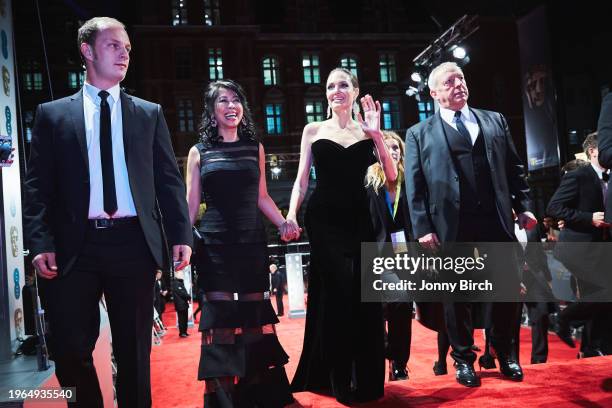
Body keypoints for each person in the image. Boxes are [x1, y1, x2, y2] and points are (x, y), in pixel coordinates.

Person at [23, 17, 191, 408]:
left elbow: (168, 181)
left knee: (135, 354)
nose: (124, 54)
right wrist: (39, 241)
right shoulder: (52, 115)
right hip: (70, 249)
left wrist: (181, 234)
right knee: (69, 351)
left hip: (133, 244)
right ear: (87, 51)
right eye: (114, 45)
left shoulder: (148, 113)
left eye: (128, 48)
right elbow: (37, 187)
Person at [404, 61, 536, 387]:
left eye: (461, 78)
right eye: (449, 82)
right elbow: (414, 187)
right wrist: (422, 228)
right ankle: (463, 360)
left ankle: (505, 355)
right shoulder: (418, 134)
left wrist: (524, 207)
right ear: (434, 93)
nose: (459, 84)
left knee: (506, 292)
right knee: (457, 297)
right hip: (451, 226)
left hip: (497, 222)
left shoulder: (495, 120)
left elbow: (514, 169)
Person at [288, 67, 397, 404]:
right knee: (338, 295)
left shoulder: (368, 133)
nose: (336, 90)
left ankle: (365, 378)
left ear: (355, 90)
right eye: (330, 86)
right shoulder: (313, 130)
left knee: (365, 298)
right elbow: (302, 179)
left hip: (360, 220)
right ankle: (338, 379)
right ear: (326, 94)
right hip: (324, 222)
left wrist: (377, 134)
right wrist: (291, 214)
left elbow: (391, 178)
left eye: (343, 85)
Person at [185, 79, 296, 407]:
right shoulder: (198, 152)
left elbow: (262, 197)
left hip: (251, 244)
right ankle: (224, 399)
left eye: (236, 100)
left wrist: (283, 222)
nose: (231, 106)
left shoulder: (255, 147)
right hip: (215, 247)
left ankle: (259, 395)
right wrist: (180, 242)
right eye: (223, 101)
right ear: (211, 109)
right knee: (221, 320)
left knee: (254, 318)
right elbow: (190, 208)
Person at [547, 132, 611, 357]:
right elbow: (554, 207)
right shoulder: (579, 176)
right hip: (578, 249)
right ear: (593, 151)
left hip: (601, 250)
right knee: (605, 293)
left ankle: (591, 349)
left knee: (600, 299)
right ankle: (563, 318)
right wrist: (588, 217)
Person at [365, 131, 413, 381]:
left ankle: (398, 361)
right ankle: (384, 353)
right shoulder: (367, 182)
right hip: (374, 255)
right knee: (374, 309)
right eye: (386, 147)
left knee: (402, 304)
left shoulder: (411, 182)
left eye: (396, 148)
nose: (392, 151)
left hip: (405, 256)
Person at [172, 269, 191, 338]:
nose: (182, 275)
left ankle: (184, 332)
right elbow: (182, 293)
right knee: (182, 319)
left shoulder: (180, 282)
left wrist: (187, 297)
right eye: (181, 274)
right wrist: (188, 297)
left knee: (185, 319)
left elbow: (183, 292)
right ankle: (182, 333)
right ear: (177, 275)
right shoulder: (176, 283)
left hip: (183, 304)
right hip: (180, 304)